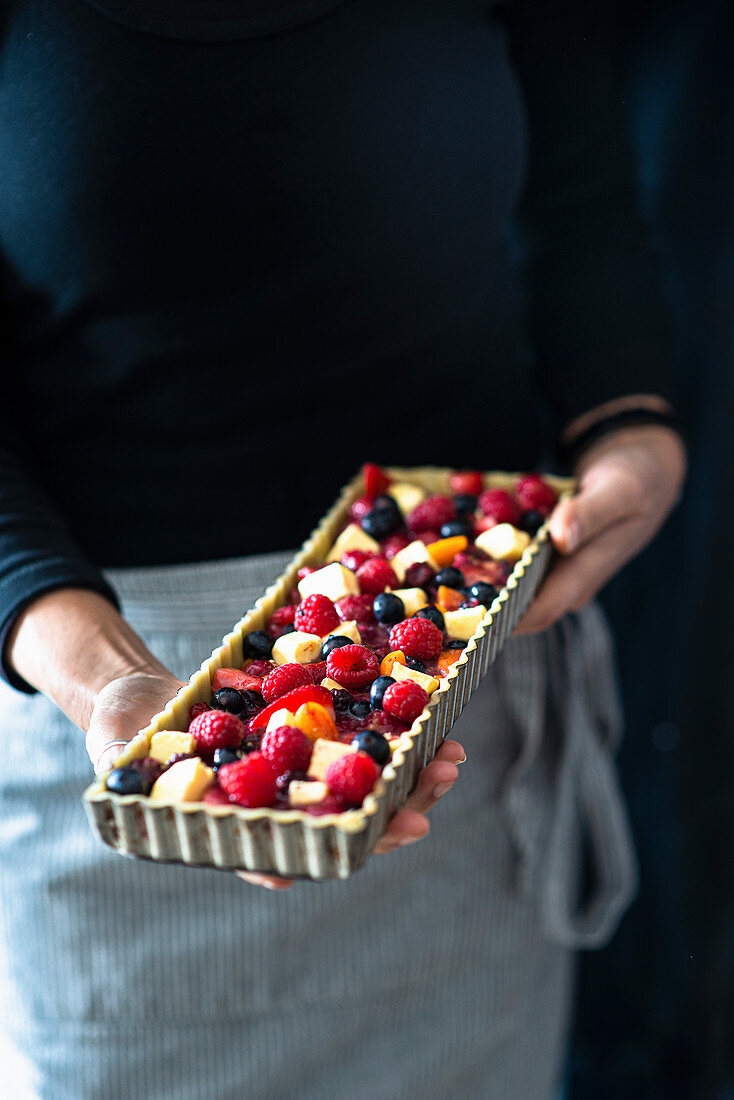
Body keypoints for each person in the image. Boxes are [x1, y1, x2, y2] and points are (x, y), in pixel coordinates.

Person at [0, 1, 685, 1097]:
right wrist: (112, 683)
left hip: (465, 671)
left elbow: (577, 208)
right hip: (108, 691)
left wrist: (630, 428)